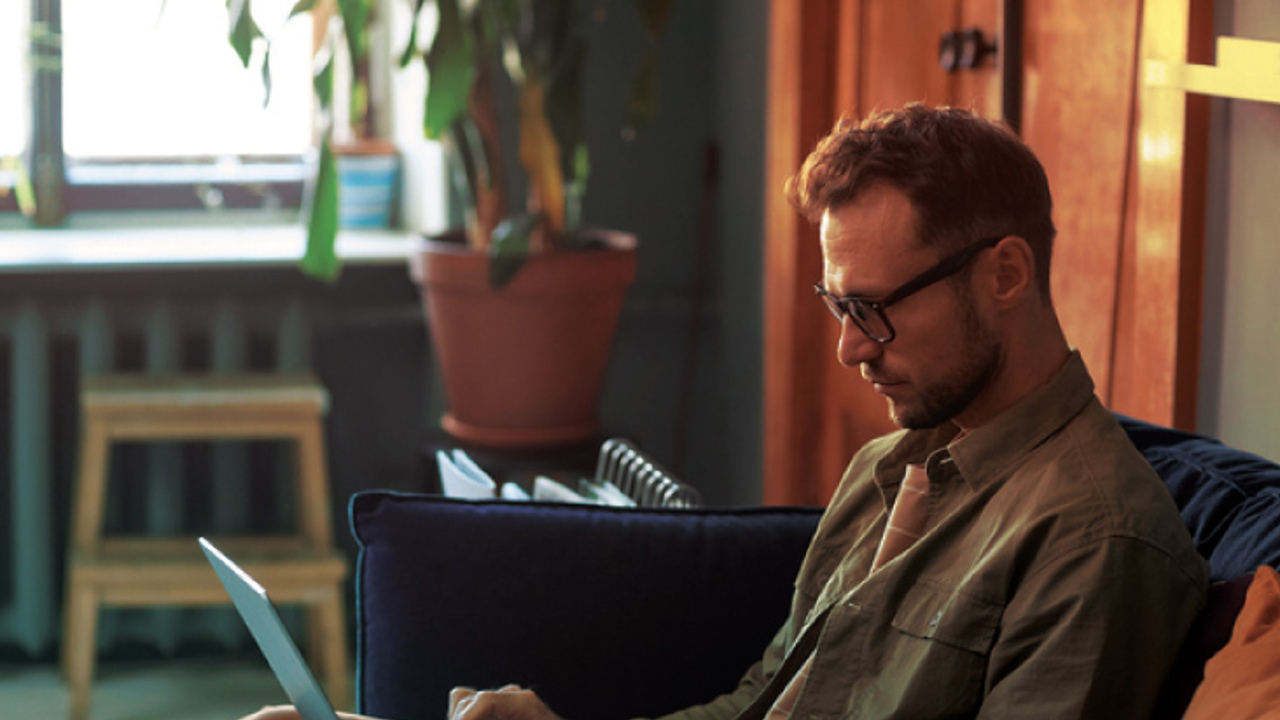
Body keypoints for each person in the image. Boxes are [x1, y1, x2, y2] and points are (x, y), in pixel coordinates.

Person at [241, 104, 1210, 720]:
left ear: (1004, 273)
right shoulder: (886, 471)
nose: (847, 349)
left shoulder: (1093, 540)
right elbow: (761, 700)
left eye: (871, 309)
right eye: (837, 309)